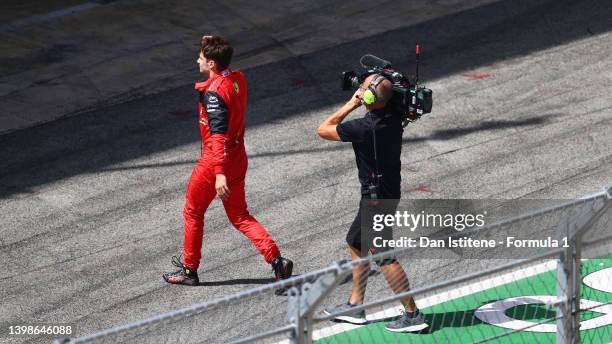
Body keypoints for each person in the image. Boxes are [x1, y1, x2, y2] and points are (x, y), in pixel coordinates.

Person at [163, 35, 293, 286]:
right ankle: (277, 261)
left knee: (193, 212)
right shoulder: (237, 79)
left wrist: (219, 173)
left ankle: (189, 270)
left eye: (201, 57)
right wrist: (213, 41)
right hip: (238, 157)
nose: (197, 60)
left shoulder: (213, 95)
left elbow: (218, 135)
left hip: (216, 161)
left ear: (211, 63)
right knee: (240, 215)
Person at [317, 74, 428, 332]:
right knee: (356, 242)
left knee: (383, 255)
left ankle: (413, 314)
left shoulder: (365, 128)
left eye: (363, 90)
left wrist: (350, 104)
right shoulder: (394, 116)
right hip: (385, 192)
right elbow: (391, 92)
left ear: (367, 98)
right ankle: (356, 306)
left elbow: (323, 129)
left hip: (377, 199)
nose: (359, 91)